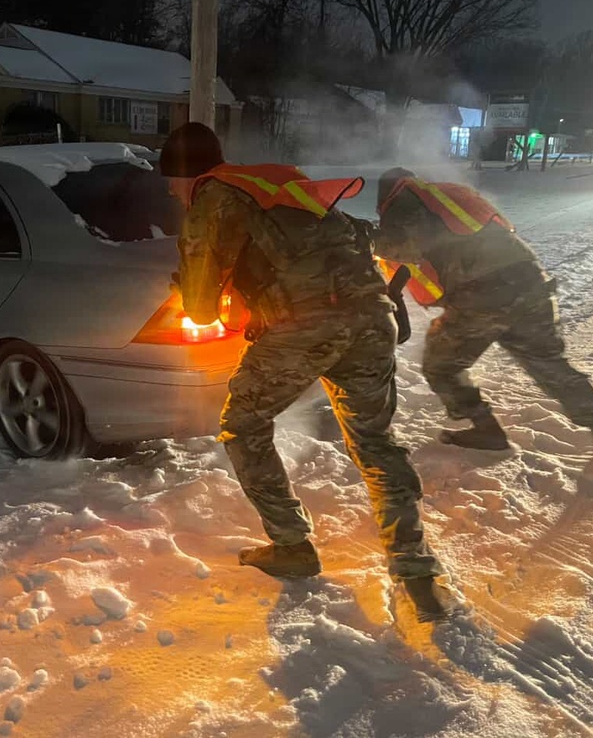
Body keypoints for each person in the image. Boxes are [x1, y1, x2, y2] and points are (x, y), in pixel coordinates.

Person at [159, 122, 449, 622]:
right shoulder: (277, 185)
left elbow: (202, 309)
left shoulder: (212, 199)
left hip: (307, 325)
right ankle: (415, 569)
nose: (172, 195)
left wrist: (194, 284)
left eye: (171, 186)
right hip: (372, 315)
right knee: (375, 443)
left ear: (185, 177)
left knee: (243, 425)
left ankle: (292, 545)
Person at [373, 168, 593, 471]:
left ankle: (487, 430)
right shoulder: (443, 196)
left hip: (482, 296)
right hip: (531, 284)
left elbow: (405, 248)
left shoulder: (404, 202)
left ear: (384, 196)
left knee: (440, 365)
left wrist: (365, 238)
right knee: (550, 363)